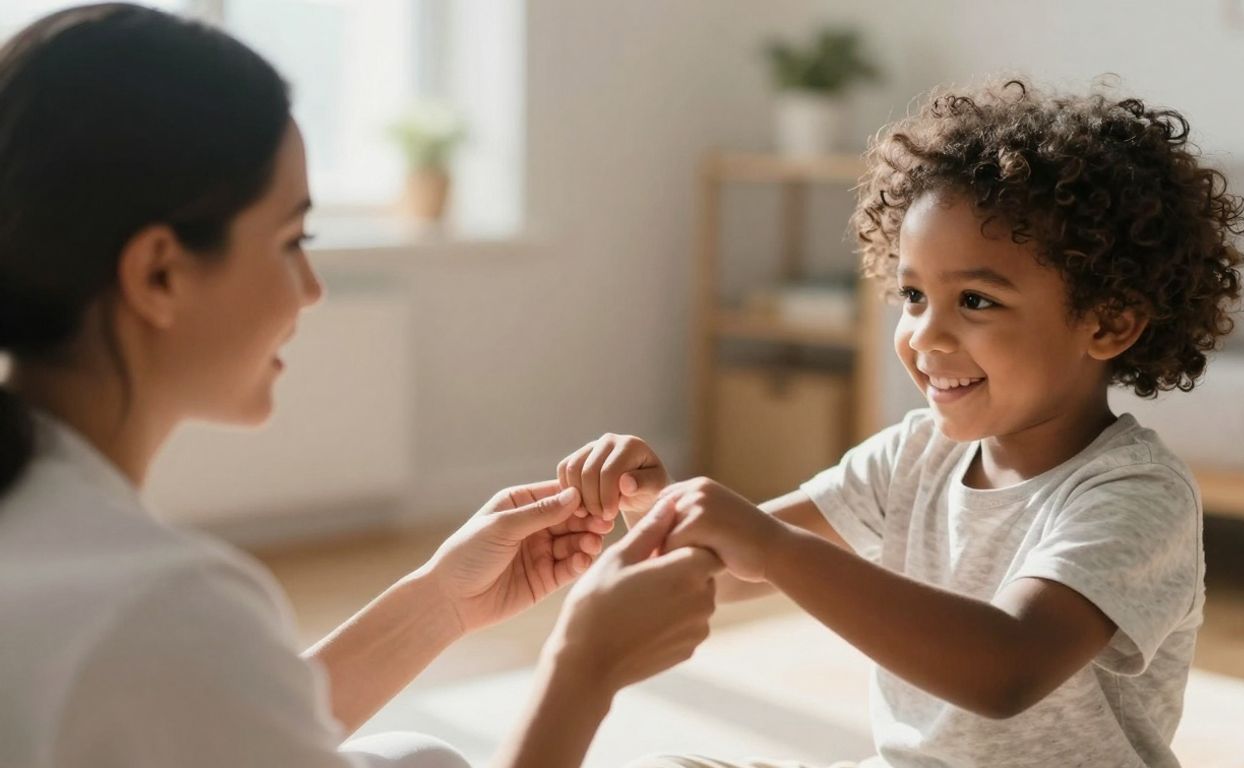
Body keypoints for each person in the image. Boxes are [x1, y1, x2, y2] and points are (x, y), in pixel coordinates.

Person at [0, 5, 720, 767]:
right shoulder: (160, 606)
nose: (310, 290)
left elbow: (219, 727)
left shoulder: (84, 571)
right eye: (291, 241)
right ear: (159, 273)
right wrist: (586, 666)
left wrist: (444, 601)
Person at [559, 78, 1244, 767]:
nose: (924, 335)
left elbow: (1005, 668)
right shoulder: (914, 454)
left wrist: (772, 546)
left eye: (975, 300)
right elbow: (728, 575)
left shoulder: (1136, 496)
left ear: (1110, 322)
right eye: (914, 294)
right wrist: (652, 505)